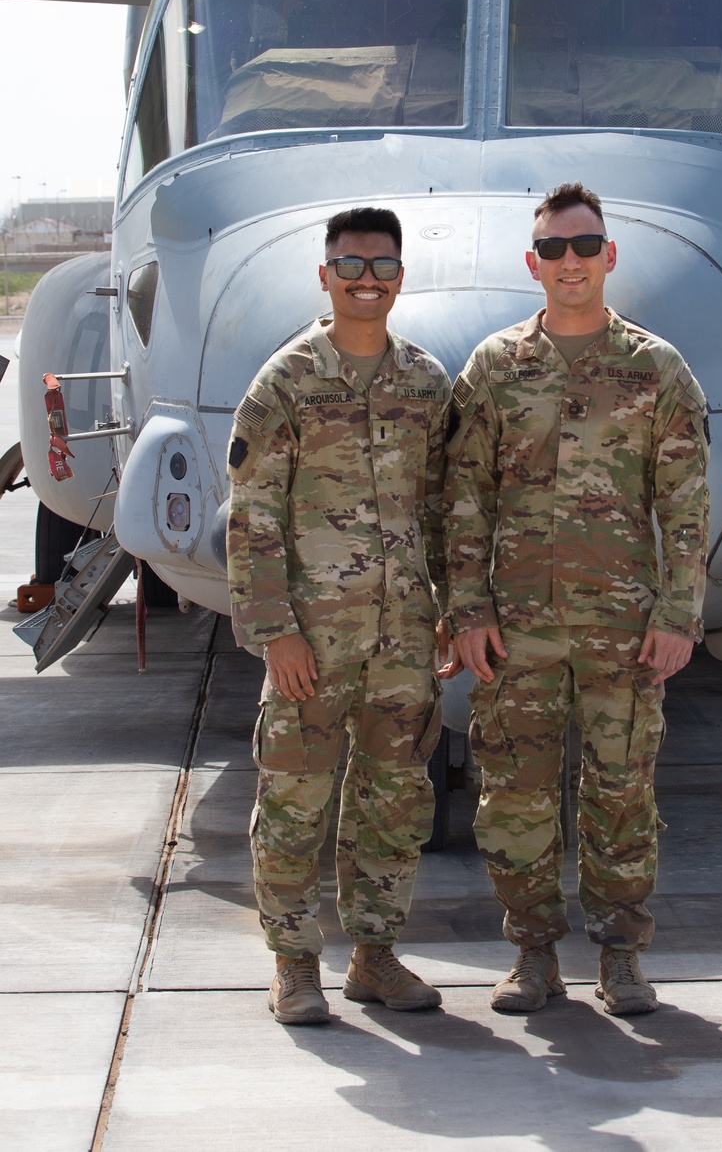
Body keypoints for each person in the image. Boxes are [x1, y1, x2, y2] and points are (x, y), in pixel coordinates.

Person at [442, 182, 709, 1017]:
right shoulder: (494, 368)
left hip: (621, 627)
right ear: (533, 263)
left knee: (621, 791)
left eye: (584, 247)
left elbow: (687, 505)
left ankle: (622, 954)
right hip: (516, 628)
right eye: (554, 250)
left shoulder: (656, 369)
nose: (570, 263)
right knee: (515, 795)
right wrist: (468, 612)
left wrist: (677, 614)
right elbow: (463, 498)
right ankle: (531, 953)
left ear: (609, 257)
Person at [227, 206, 450, 1025]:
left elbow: (443, 513)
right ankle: (293, 963)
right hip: (310, 643)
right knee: (295, 800)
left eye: (382, 266)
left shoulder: (427, 384)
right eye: (350, 266)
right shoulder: (286, 382)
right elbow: (250, 517)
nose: (367, 281)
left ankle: (375, 955)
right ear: (325, 276)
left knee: (394, 800)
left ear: (401, 276)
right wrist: (273, 629)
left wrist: (450, 619)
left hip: (404, 643)